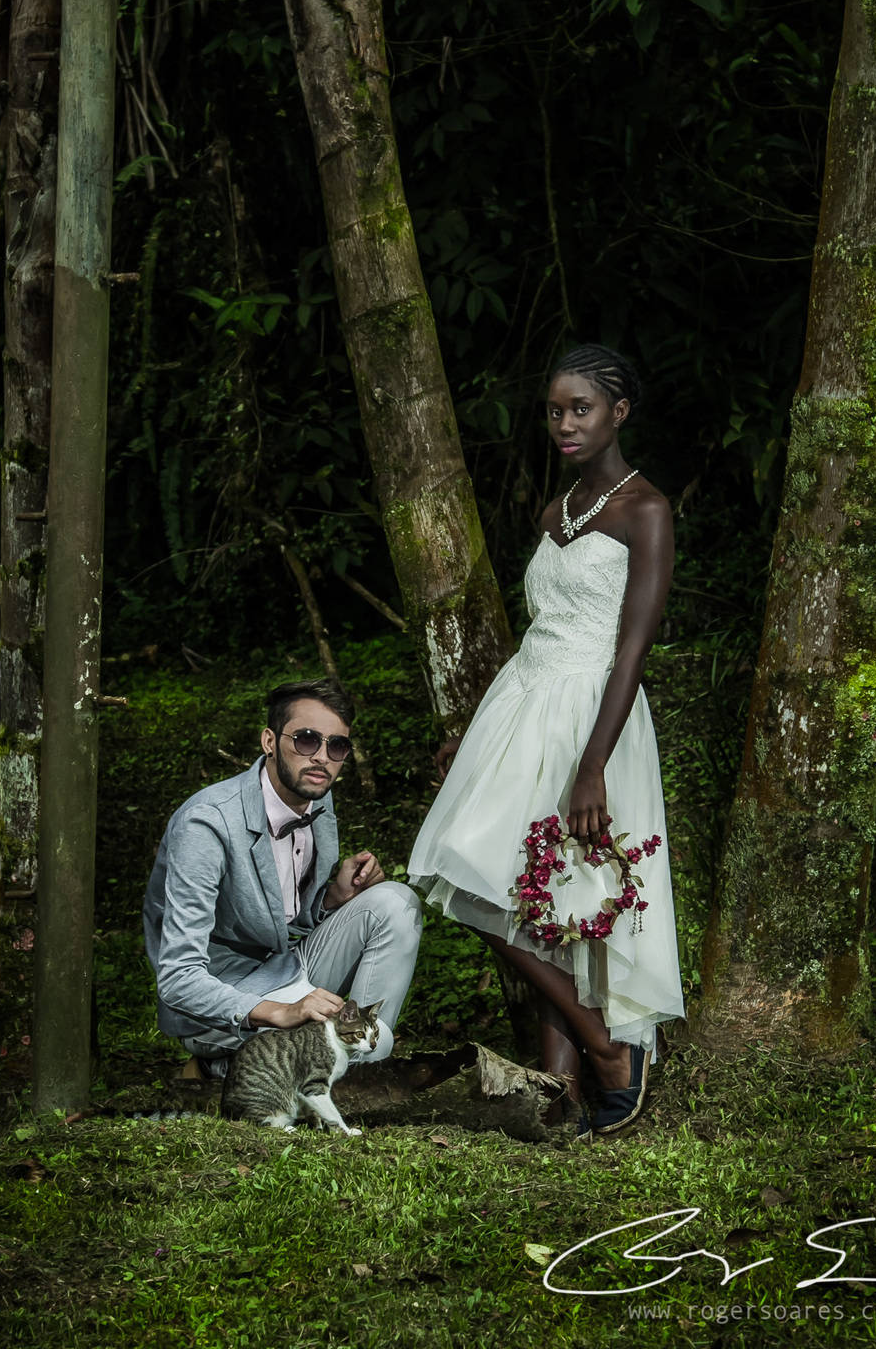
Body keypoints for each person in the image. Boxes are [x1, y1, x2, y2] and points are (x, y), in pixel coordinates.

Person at [409, 344, 684, 1135]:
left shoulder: (647, 510)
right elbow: (544, 629)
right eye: (555, 410)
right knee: (490, 886)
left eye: (581, 409)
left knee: (561, 896)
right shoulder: (553, 510)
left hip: (593, 717)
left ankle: (604, 1053)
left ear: (619, 412)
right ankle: (561, 1084)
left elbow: (633, 645)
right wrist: (480, 739)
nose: (564, 424)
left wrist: (593, 764)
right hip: (524, 703)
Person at [145, 678, 423, 1075]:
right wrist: (281, 1011)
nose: (322, 757)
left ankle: (349, 1068)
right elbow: (178, 977)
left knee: (396, 902)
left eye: (337, 746)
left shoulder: (317, 798)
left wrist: (331, 900)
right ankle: (223, 1068)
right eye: (307, 739)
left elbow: (283, 922)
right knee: (384, 1043)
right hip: (218, 999)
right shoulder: (206, 825)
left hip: (283, 967)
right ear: (269, 741)